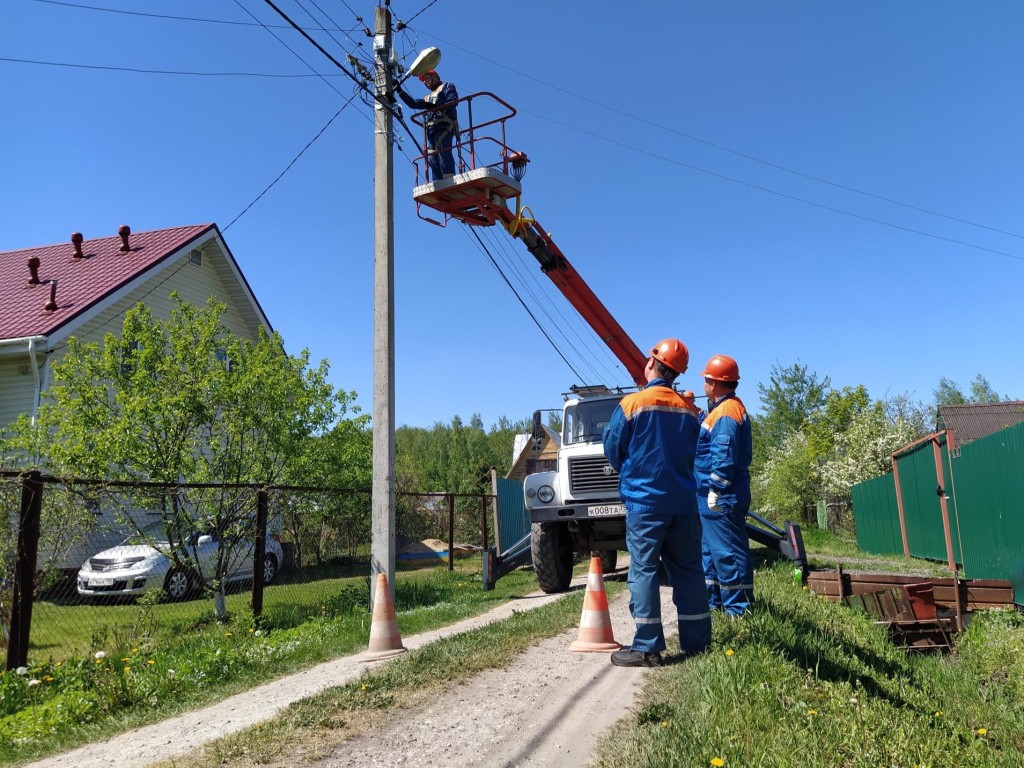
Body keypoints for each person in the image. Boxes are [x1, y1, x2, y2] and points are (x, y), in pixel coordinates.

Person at [602, 339, 711, 667]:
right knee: (690, 571)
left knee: (644, 570)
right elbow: (698, 453)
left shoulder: (632, 404)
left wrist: (632, 472)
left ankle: (647, 647)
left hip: (645, 505)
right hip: (684, 504)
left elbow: (612, 449)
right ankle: (698, 645)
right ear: (677, 373)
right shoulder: (689, 410)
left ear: (652, 364)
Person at [695, 354, 754, 616]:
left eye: (706, 379)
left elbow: (724, 452)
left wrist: (716, 488)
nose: (704, 384)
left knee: (727, 551)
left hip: (723, 494)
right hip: (714, 493)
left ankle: (740, 611)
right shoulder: (721, 410)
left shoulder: (727, 412)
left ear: (715, 383)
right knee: (711, 552)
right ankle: (715, 602)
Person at [395, 69, 459, 181]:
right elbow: (413, 104)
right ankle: (438, 182)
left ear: (435, 77)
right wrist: (399, 90)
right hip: (431, 130)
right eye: (423, 80)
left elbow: (453, 101)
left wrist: (435, 106)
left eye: (427, 78)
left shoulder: (446, 86)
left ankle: (449, 180)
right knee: (433, 158)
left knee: (443, 152)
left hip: (444, 126)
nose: (425, 81)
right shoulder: (427, 98)